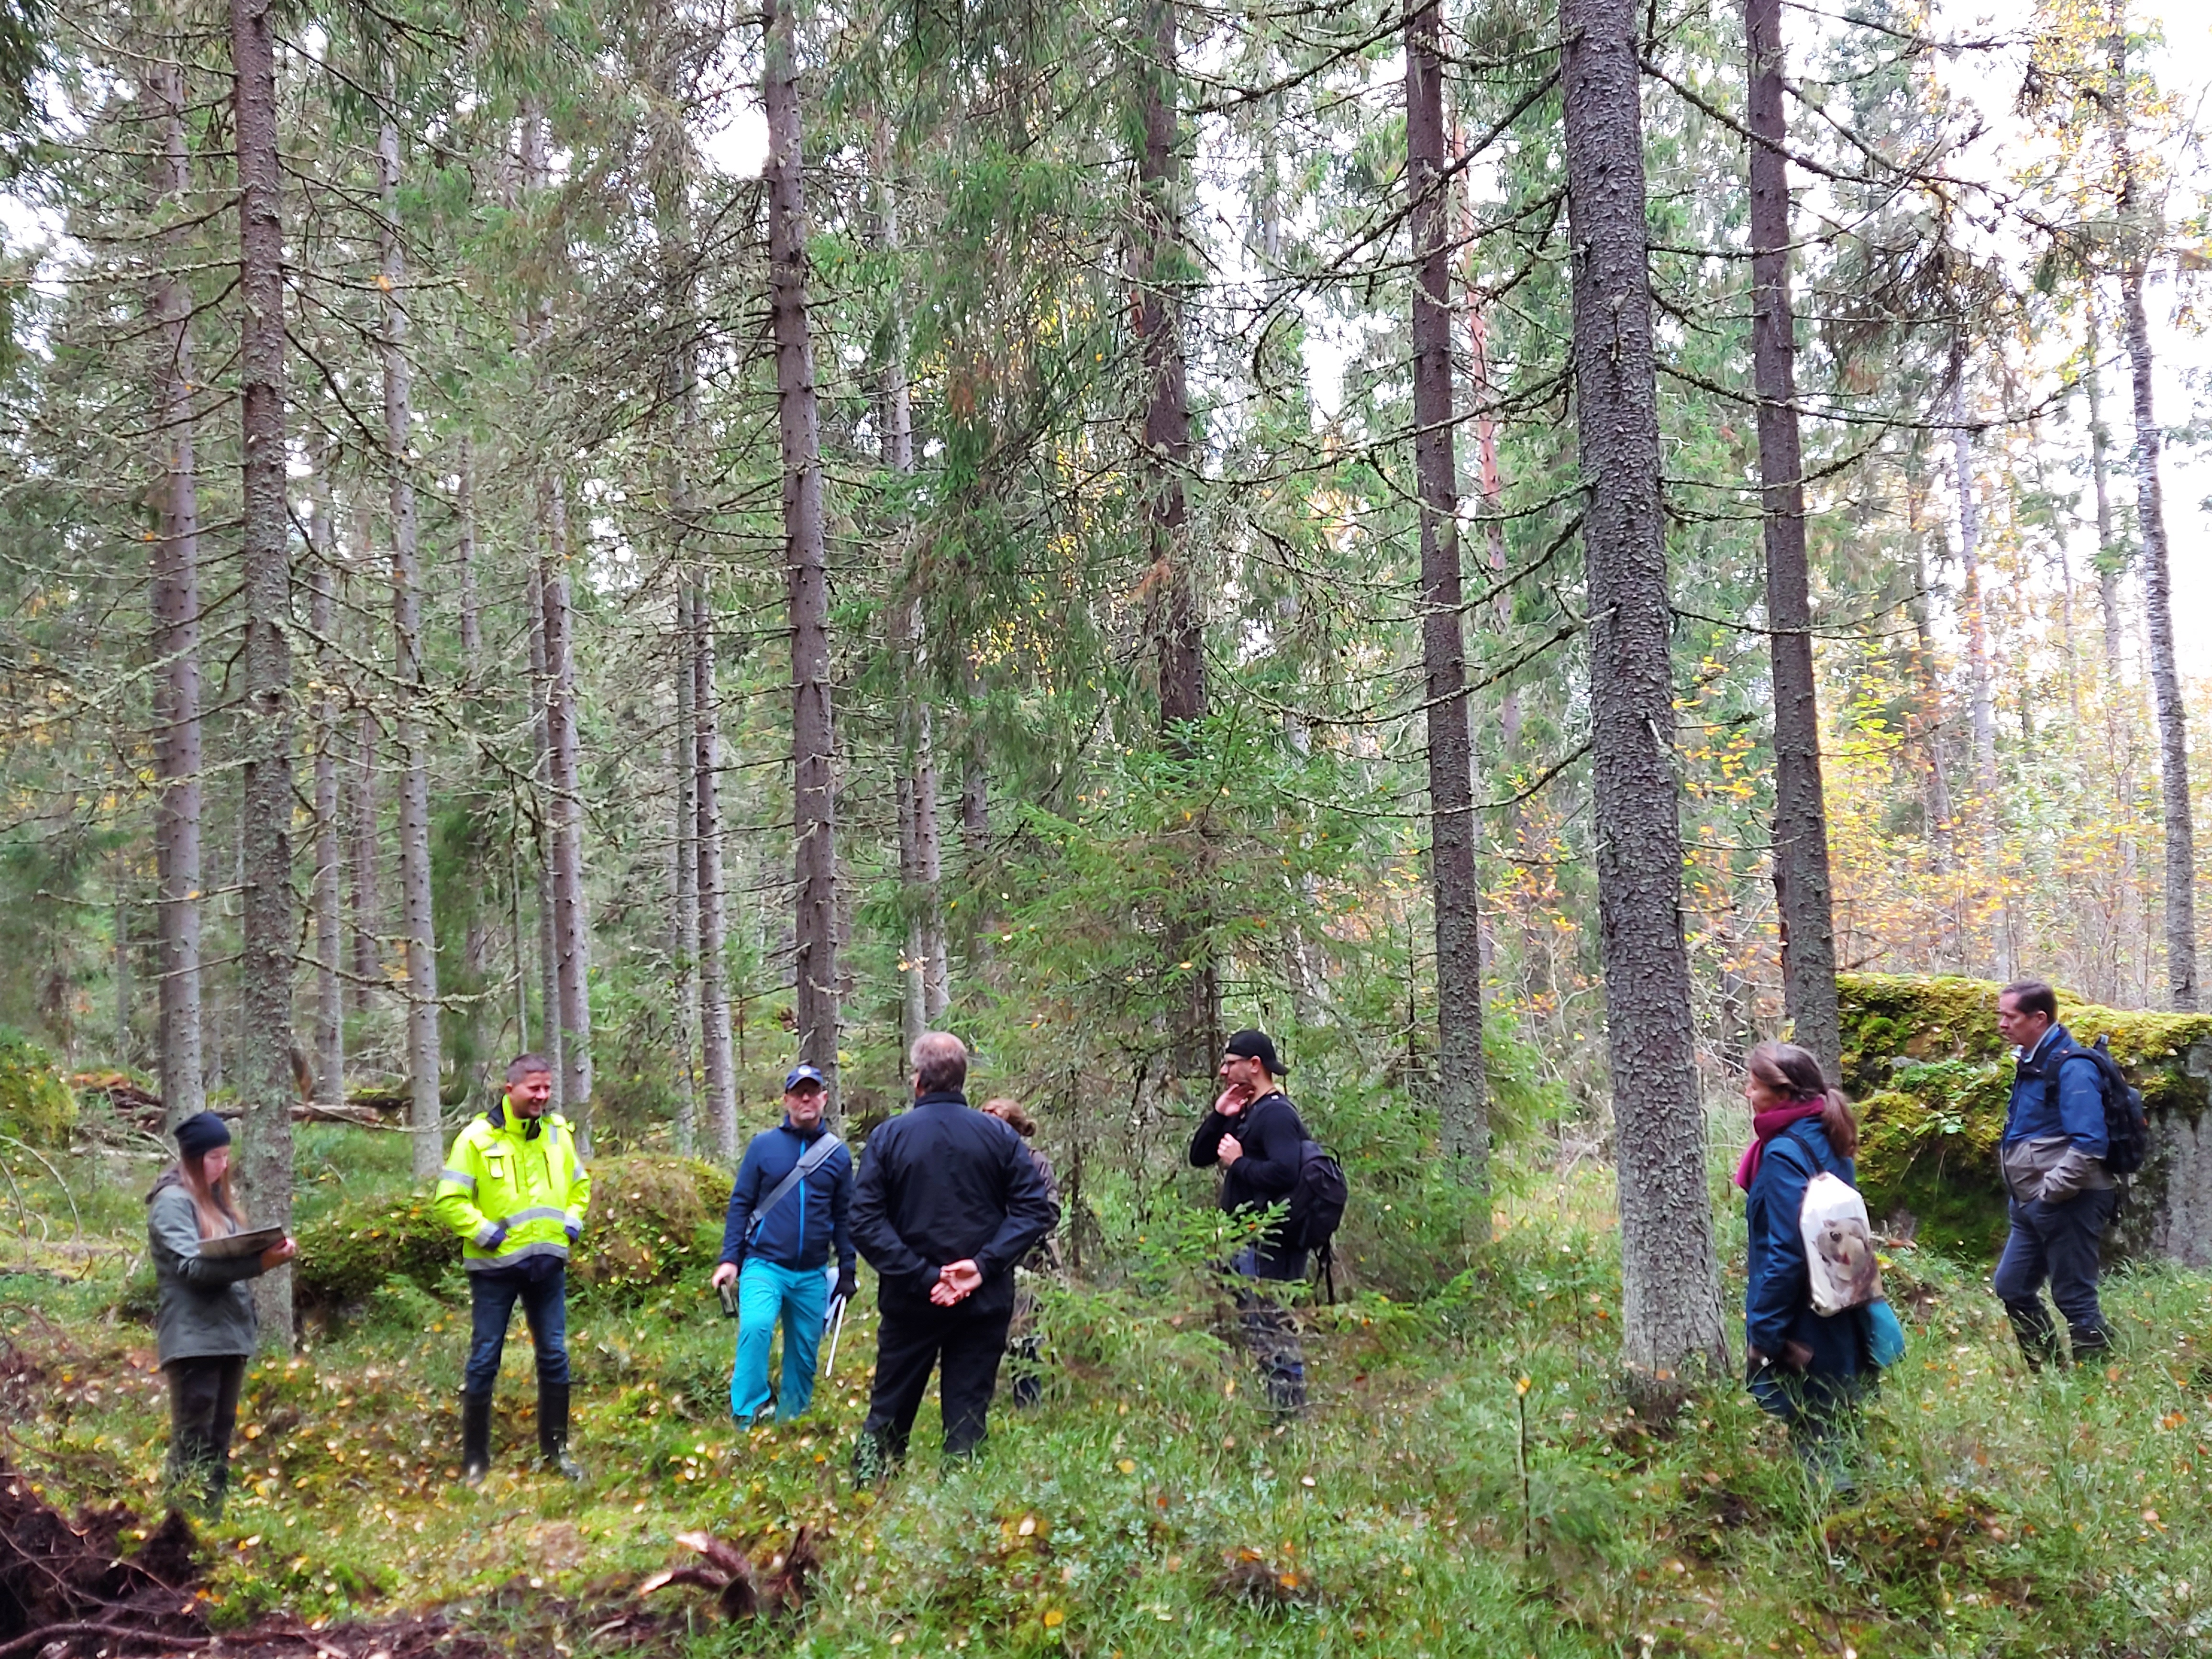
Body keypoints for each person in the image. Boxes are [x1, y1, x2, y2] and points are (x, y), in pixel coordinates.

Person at [850, 1033, 1059, 1474]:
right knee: (967, 1418)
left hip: (913, 1301)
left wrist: (927, 1277)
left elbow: (865, 1223)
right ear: (962, 1081)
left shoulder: (889, 1137)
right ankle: (963, 1514)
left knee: (889, 1411)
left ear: (918, 1080)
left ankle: (868, 1499)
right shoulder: (1000, 1137)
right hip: (979, 1302)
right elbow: (1034, 1211)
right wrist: (978, 1270)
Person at [434, 1053, 591, 1484]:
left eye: (547, 1089)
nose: (542, 1096)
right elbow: (448, 1200)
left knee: (555, 1355)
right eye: (533, 1089)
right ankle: (475, 1461)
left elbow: (580, 1185)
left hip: (548, 1266)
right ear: (510, 1089)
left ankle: (556, 1452)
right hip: (494, 1270)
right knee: (485, 1359)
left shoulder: (558, 1134)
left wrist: (571, 1227)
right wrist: (486, 1233)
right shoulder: (476, 1139)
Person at [146, 1110, 296, 1517]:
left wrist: (263, 1253)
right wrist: (259, 1263)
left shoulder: (216, 1204)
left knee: (218, 1440)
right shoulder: (172, 1203)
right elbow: (191, 1269)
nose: (224, 1165)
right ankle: (177, 1529)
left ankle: (210, 1525)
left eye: (227, 1155)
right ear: (194, 1158)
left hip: (228, 1335)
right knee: (193, 1441)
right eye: (215, 1156)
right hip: (195, 1341)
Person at [1736, 1040, 1871, 1486]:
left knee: (1818, 1435)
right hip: (1843, 1306)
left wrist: (1764, 1331)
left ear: (1783, 1093)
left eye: (1754, 1086)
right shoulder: (1826, 1131)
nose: (1748, 1094)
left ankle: (1837, 1533)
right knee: (1844, 1421)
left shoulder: (1780, 1153)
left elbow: (1787, 1251)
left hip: (1804, 1319)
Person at [709, 1064, 856, 1426]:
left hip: (812, 1273)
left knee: (804, 1354)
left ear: (824, 1098)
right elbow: (741, 1204)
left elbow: (845, 1216)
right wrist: (731, 1260)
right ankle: (748, 1412)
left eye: (813, 1092)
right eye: (798, 1092)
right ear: (786, 1100)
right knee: (756, 1328)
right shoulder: (764, 1147)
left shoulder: (837, 1155)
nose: (806, 1099)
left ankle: (792, 1420)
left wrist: (848, 1269)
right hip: (764, 1264)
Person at [1991, 979, 2116, 1368]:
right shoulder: (2031, 1062)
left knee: (2074, 1296)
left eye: (2010, 1016)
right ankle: (2049, 1372)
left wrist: (2051, 1192)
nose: (2002, 1024)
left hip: (2070, 1200)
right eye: (2001, 1015)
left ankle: (2095, 1383)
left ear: (2039, 1018)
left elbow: (2090, 1144)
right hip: (2029, 1202)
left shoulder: (2073, 1067)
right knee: (2011, 1286)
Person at [1188, 1028, 1309, 1416]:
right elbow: (1200, 1156)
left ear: (1254, 1066)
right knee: (1259, 1331)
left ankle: (1290, 1418)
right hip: (1247, 1245)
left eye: (1231, 1064)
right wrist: (1220, 1115)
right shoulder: (1247, 1111)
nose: (1224, 1072)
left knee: (1275, 1330)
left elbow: (1286, 1172)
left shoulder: (1276, 1114)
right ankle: (1277, 1415)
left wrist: (1239, 1162)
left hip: (1272, 1246)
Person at [980, 1097, 1064, 1407]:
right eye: (983, 1115)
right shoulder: (976, 1163)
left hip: (1027, 1264)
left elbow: (1049, 1211)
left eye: (996, 1115)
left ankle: (1028, 1406)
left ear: (1015, 1126)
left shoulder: (1035, 1162)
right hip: (983, 1264)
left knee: (1024, 1336)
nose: (988, 1120)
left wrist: (1015, 1234)